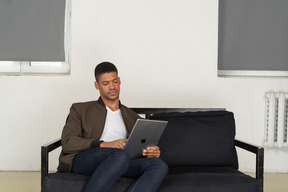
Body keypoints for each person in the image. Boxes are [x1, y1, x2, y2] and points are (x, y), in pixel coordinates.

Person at [57, 62, 168, 192]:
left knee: (158, 165)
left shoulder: (132, 116)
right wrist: (104, 144)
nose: (112, 87)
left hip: (122, 160)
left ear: (119, 81)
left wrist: (152, 151)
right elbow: (68, 142)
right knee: (119, 155)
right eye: (106, 83)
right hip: (86, 159)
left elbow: (140, 145)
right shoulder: (80, 109)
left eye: (114, 81)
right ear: (97, 85)